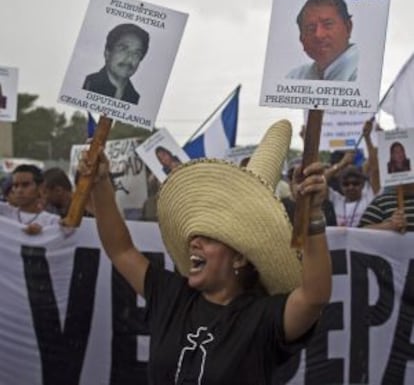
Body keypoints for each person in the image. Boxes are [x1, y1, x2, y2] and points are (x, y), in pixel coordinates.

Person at [80, 119, 332, 384]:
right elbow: (121, 251)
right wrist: (100, 182)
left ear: (240, 257)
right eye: (194, 234)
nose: (193, 241)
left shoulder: (262, 318)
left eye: (209, 237)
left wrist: (313, 212)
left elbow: (314, 297)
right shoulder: (172, 297)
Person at [287, 0, 358, 81]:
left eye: (328, 25)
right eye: (311, 28)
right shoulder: (295, 77)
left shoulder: (363, 72)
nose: (318, 35)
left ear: (348, 27)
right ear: (301, 38)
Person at [83, 23, 150, 104]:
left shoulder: (135, 98)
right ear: (107, 53)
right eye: (123, 49)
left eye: (136, 53)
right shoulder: (87, 84)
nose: (129, 58)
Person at [0, 164, 61, 235]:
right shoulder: (4, 212)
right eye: (16, 185)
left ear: (40, 188)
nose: (19, 190)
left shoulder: (52, 221)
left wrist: (44, 233)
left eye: (25, 185)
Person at [282, 157, 337, 226]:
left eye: (303, 176)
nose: (300, 181)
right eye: (292, 176)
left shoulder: (326, 205)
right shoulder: (280, 206)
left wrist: (315, 210)